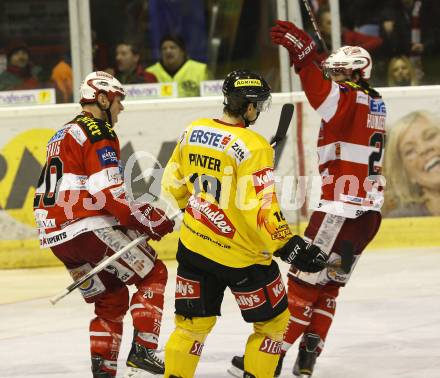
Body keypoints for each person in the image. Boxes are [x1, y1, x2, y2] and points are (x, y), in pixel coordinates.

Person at [229, 22, 386, 378]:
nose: (333, 78)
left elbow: (322, 95)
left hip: (340, 211)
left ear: (357, 75)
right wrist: (318, 62)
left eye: (340, 73)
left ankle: (269, 360)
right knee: (329, 285)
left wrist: (305, 59)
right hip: (367, 216)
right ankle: (308, 357)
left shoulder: (351, 99)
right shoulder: (375, 101)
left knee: (301, 286)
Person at [161, 69, 328, 378]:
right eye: (258, 105)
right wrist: (288, 245)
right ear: (249, 107)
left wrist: (194, 208)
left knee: (190, 328)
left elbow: (173, 182)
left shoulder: (192, 130)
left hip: (195, 248)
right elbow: (261, 207)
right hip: (244, 259)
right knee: (273, 325)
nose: (259, 111)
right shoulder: (254, 146)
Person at [33, 71, 175, 377]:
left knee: (111, 298)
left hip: (56, 237)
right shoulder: (98, 130)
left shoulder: (63, 132)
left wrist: (134, 217)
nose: (121, 108)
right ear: (102, 98)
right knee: (153, 273)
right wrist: (145, 220)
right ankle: (144, 350)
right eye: (117, 100)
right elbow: (107, 192)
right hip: (86, 226)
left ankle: (104, 369)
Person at [383, 110, 440, 217]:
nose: (424, 149)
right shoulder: (399, 222)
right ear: (407, 175)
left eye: (430, 136)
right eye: (410, 151)